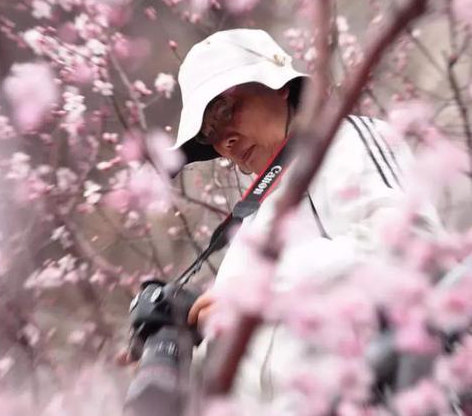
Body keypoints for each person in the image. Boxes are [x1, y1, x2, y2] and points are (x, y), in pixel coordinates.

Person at [168, 28, 441, 409]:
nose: (224, 141)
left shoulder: (349, 140)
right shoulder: (250, 232)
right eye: (207, 135)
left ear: (279, 86)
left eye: (225, 111)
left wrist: (262, 288)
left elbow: (415, 247)